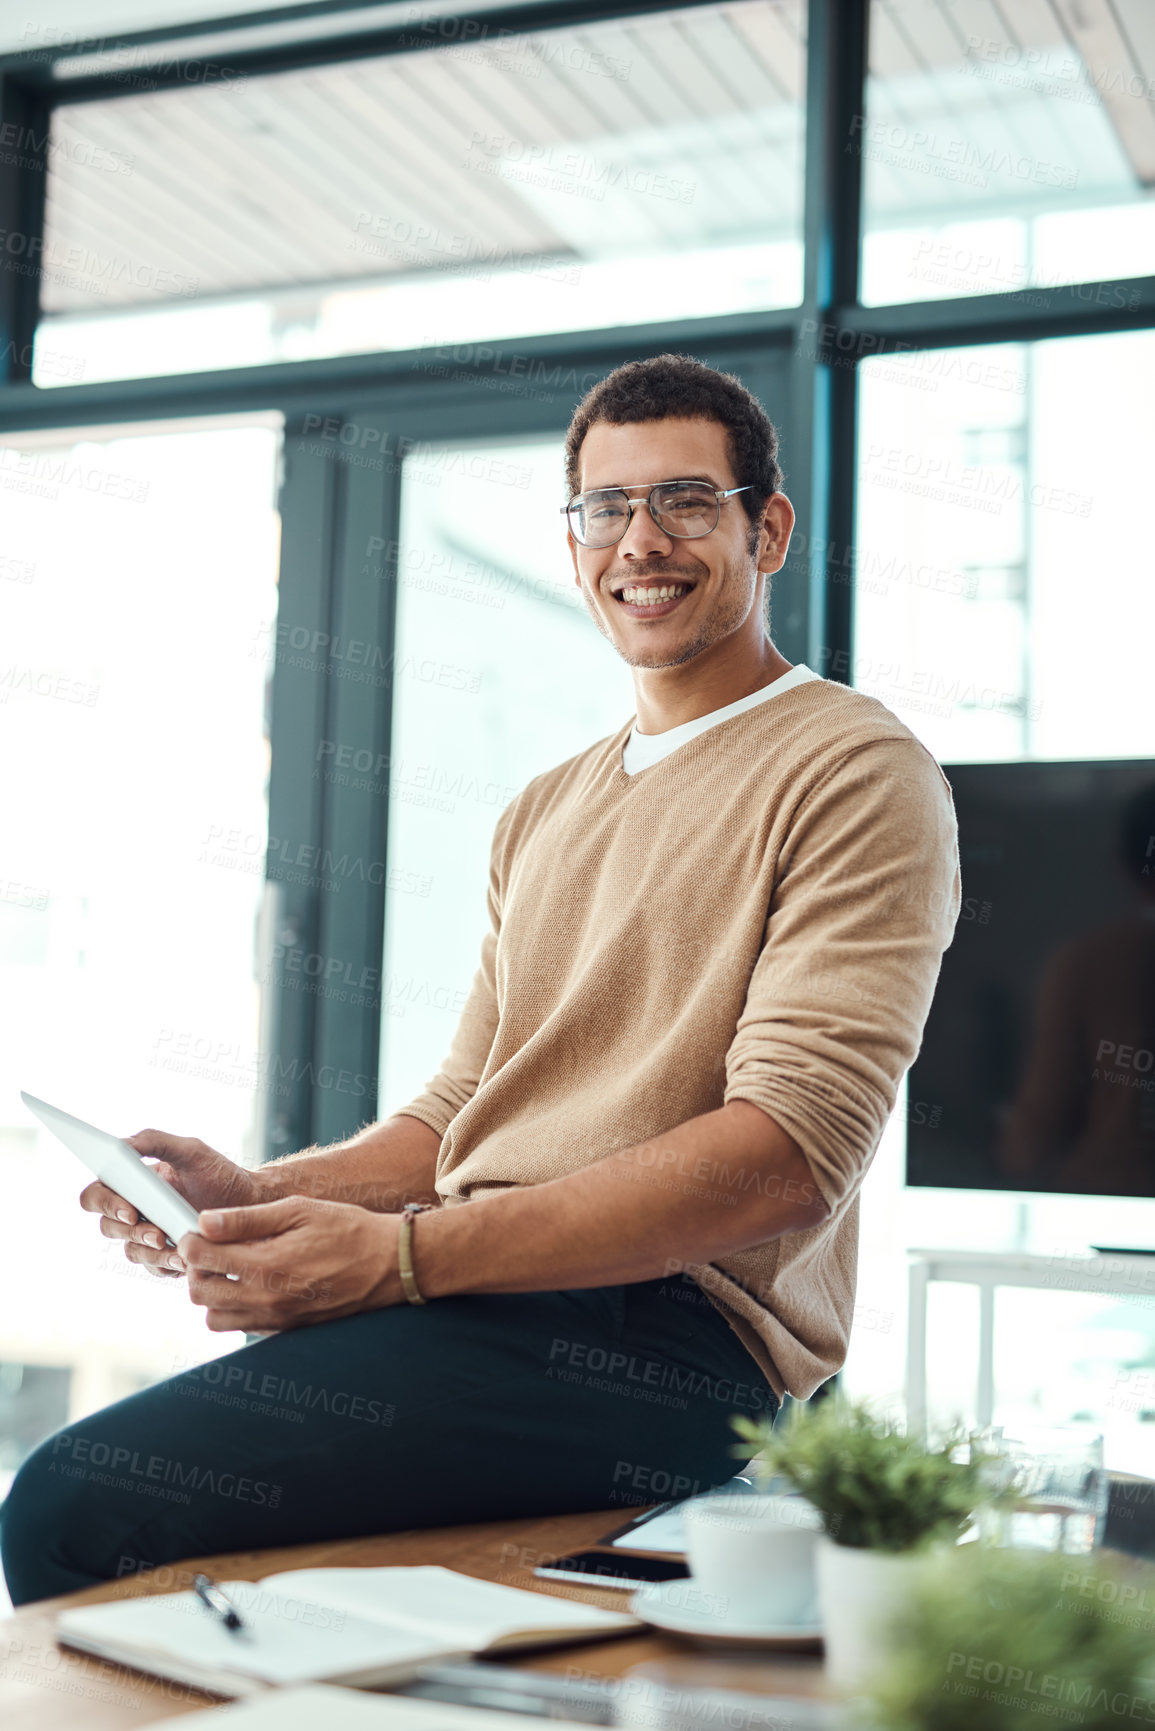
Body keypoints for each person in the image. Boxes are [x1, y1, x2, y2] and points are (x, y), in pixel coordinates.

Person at [1, 354, 960, 1606]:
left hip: (673, 1342)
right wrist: (257, 1196)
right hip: (496, 1292)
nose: (640, 542)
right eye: (605, 509)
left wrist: (400, 1262)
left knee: (76, 1504)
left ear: (765, 528)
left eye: (683, 501)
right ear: (574, 547)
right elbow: (461, 1114)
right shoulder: (544, 808)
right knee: (155, 1523)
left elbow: (785, 1156)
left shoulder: (855, 769)